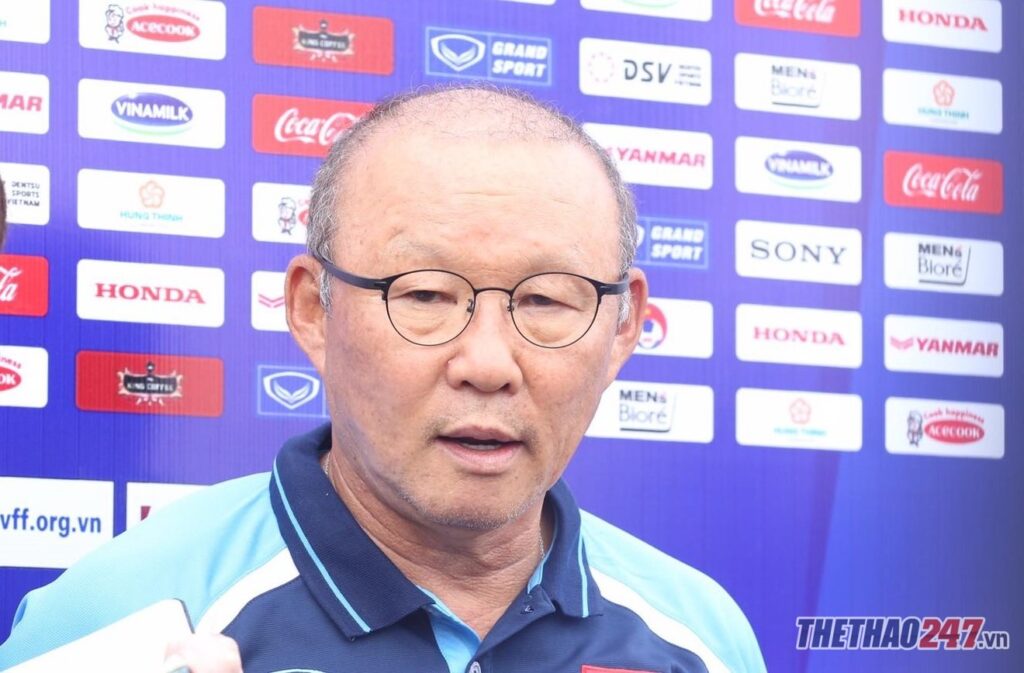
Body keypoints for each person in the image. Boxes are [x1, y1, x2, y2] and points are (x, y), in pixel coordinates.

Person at [0, 86, 765, 673]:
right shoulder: (124, 619)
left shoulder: (699, 635)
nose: (488, 363)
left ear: (624, 326)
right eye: (425, 296)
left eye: (545, 300)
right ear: (312, 309)